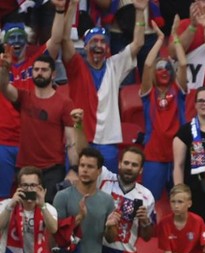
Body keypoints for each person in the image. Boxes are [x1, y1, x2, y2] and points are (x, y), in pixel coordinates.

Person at [50, 0, 148, 172]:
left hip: (108, 141)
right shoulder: (77, 67)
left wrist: (140, 11)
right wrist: (72, 5)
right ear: (85, 45)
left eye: (103, 42)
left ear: (108, 47)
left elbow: (138, 43)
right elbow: (64, 39)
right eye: (94, 41)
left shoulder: (114, 65)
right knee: (77, 187)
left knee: (107, 190)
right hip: (81, 138)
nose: (99, 45)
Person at [0, 52, 79, 200]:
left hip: (52, 169)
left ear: (53, 74)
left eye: (44, 70)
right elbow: (3, 86)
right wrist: (5, 69)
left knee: (48, 212)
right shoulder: (24, 97)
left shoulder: (65, 103)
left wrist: (74, 169)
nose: (39, 73)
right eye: (36, 70)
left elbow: (71, 142)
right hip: (25, 168)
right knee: (24, 214)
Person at [0, 20, 63, 198]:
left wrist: (59, 12)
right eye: (12, 39)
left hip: (31, 141)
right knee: (3, 196)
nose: (17, 42)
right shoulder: (1, 64)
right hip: (3, 141)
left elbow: (56, 39)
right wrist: (3, 69)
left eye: (21, 38)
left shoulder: (36, 64)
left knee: (33, 196)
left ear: (28, 41)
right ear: (5, 44)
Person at [52, 147, 120, 253]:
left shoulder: (107, 201)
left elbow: (111, 239)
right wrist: (79, 219)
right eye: (82, 165)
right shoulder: (62, 196)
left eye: (90, 166)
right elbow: (56, 235)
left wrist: (110, 227)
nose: (84, 170)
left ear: (99, 171)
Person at [139, 19, 188, 200]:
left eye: (167, 67)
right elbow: (147, 65)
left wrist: (174, 37)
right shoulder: (148, 93)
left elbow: (182, 64)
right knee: (148, 200)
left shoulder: (178, 90)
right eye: (160, 68)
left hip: (178, 154)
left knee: (180, 200)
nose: (164, 70)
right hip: (154, 155)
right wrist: (160, 40)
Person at [99, 146, 157, 253]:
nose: (129, 167)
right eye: (126, 163)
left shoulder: (147, 196)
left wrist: (145, 221)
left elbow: (147, 237)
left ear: (141, 170)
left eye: (134, 165)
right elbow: (86, 158)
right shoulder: (104, 179)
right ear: (119, 164)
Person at [173, 86, 205, 230]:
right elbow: (178, 165)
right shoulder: (184, 132)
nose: (204, 103)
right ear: (195, 105)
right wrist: (180, 193)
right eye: (200, 100)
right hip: (194, 192)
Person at [0, 167, 58, 253]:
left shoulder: (48, 209)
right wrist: (11, 206)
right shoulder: (6, 205)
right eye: (24, 185)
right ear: (18, 187)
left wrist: (41, 205)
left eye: (33, 185)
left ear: (41, 188)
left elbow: (53, 229)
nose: (29, 189)